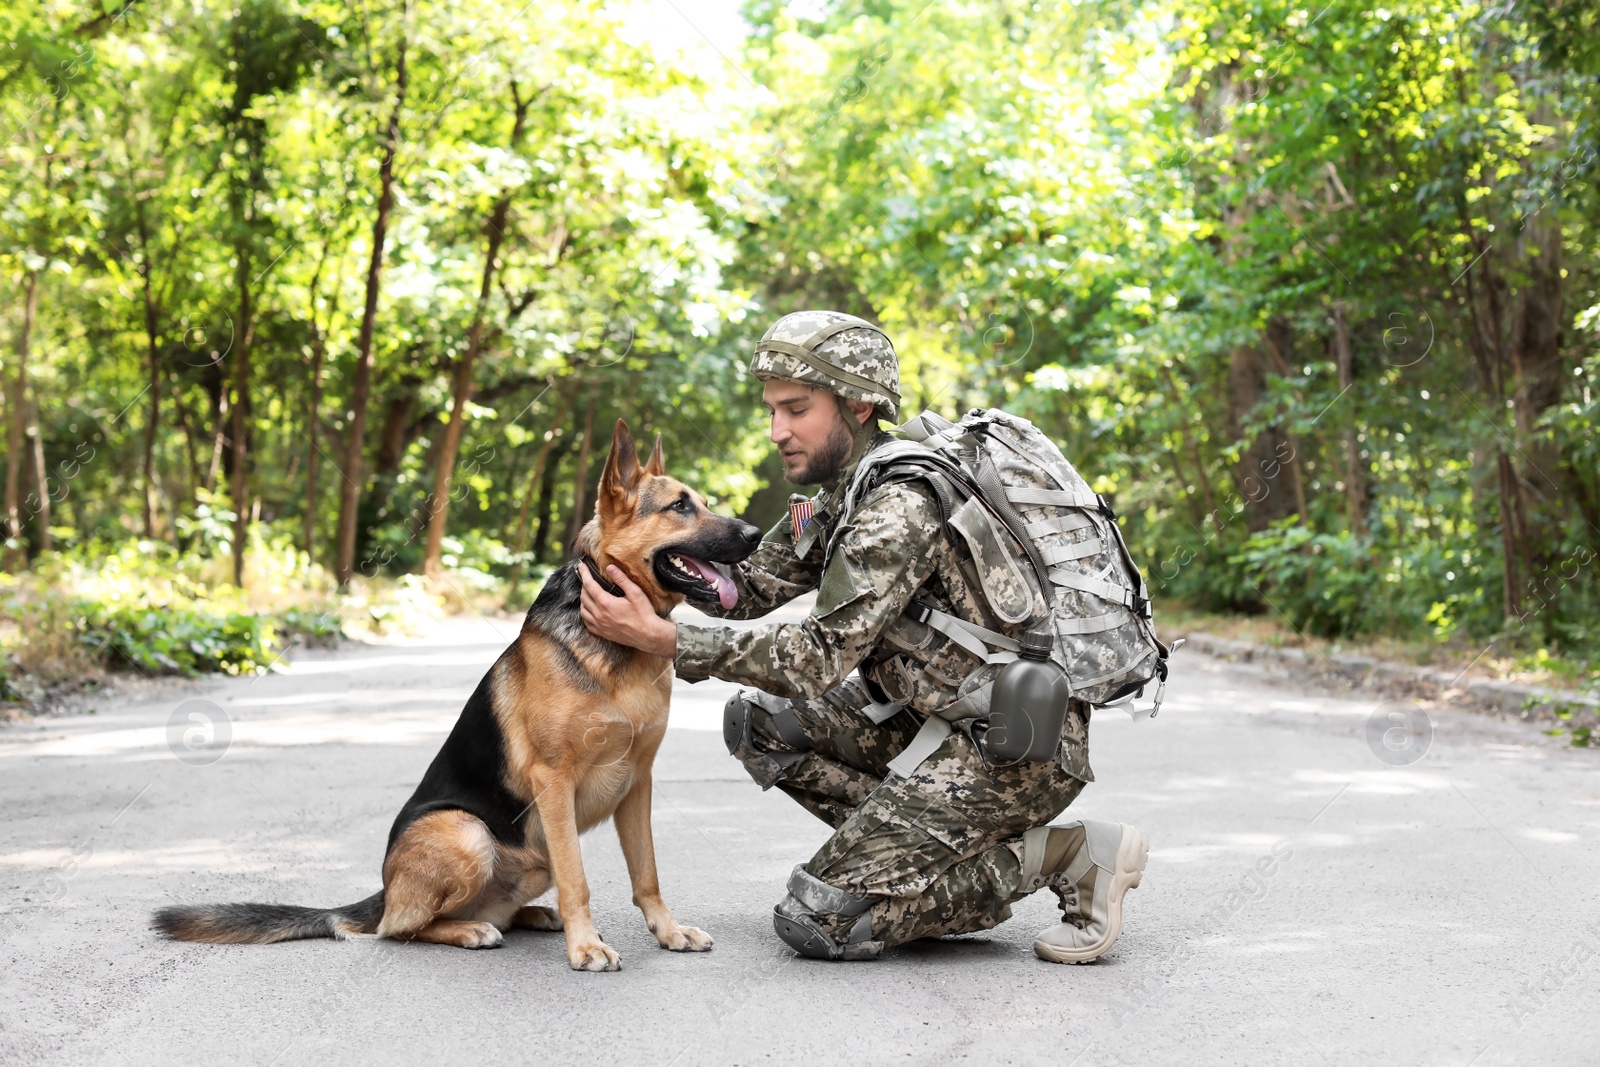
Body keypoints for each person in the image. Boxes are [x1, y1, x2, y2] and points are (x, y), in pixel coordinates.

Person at [578, 310, 1148, 963]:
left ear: (857, 402)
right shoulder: (834, 497)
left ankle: (1064, 854)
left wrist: (665, 640)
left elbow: (816, 660)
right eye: (771, 410)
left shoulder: (895, 504)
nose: (776, 431)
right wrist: (634, 555)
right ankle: (904, 853)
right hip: (930, 724)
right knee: (761, 724)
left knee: (819, 920)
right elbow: (752, 586)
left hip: (1010, 752)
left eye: (795, 408)